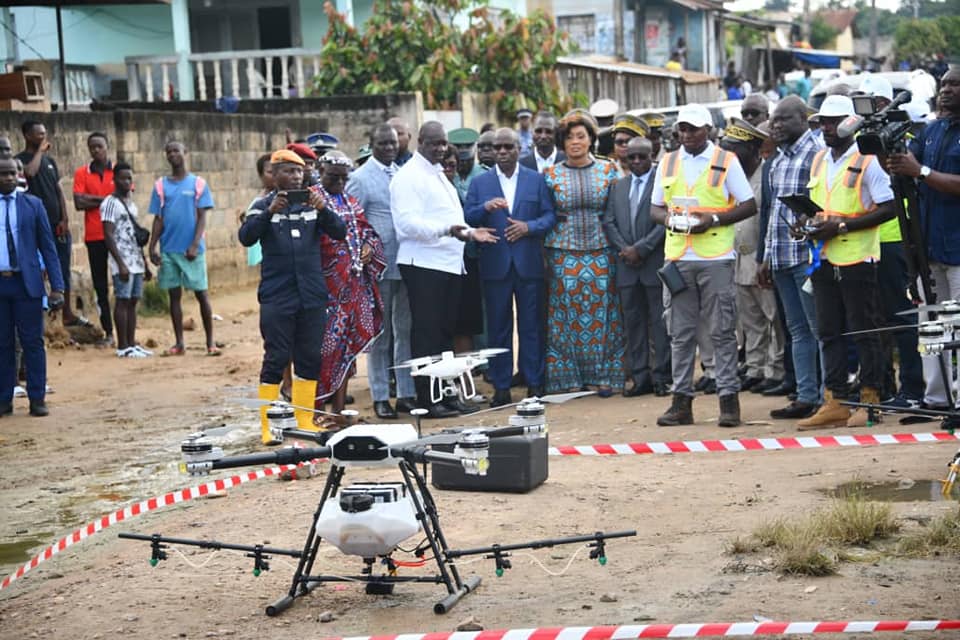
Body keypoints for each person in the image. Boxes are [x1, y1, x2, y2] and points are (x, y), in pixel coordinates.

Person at [650, 103, 758, 428]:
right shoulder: (668, 162)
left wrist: (712, 219)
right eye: (683, 128)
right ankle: (681, 402)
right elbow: (654, 209)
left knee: (723, 330)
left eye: (694, 129)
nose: (687, 134)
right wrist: (670, 219)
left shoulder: (726, 161)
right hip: (678, 258)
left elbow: (748, 204)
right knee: (680, 333)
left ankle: (729, 401)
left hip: (715, 258)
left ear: (708, 130)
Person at [796, 95, 895, 430]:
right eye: (822, 121)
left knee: (864, 330)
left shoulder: (868, 160)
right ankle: (835, 400)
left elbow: (888, 207)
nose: (826, 127)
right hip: (823, 257)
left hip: (857, 257)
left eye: (833, 121)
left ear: (851, 122)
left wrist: (841, 225)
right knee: (829, 331)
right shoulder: (820, 159)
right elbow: (819, 203)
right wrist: (807, 223)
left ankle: (870, 400)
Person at [389, 122, 497, 418]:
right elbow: (407, 225)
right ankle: (427, 399)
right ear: (420, 142)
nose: (440, 148)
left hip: (449, 265)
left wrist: (471, 232)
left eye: (443, 143)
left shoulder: (437, 173)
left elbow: (449, 218)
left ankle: (447, 395)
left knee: (446, 334)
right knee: (427, 335)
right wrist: (450, 230)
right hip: (424, 265)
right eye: (434, 143)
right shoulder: (408, 177)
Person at [239, 149, 346, 443]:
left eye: (299, 172)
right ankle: (268, 426)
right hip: (277, 296)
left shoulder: (314, 205)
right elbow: (246, 236)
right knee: (276, 358)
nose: (296, 176)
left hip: (311, 296)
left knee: (309, 358)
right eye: (288, 171)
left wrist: (324, 209)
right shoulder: (261, 205)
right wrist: (270, 212)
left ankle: (304, 420)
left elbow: (340, 232)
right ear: (274, 175)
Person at [465, 128, 556, 406]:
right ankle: (501, 386)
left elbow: (550, 215)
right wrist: (485, 208)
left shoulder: (535, 180)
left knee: (531, 326)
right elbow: (467, 216)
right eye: (497, 148)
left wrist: (529, 227)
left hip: (528, 263)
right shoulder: (481, 183)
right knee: (498, 328)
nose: (502, 152)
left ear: (519, 149)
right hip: (495, 263)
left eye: (508, 147)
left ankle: (534, 383)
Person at [887, 67, 960, 413]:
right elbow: (903, 163)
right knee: (932, 327)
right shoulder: (931, 131)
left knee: (957, 327)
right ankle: (936, 399)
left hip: (958, 250)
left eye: (954, 84)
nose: (946, 89)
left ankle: (958, 398)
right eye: (943, 83)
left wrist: (921, 172)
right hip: (928, 247)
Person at [543, 110, 625, 396]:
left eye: (581, 136)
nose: (575, 142)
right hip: (562, 254)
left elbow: (617, 212)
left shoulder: (610, 170)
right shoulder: (550, 174)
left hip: (602, 251)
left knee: (606, 315)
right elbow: (546, 214)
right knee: (564, 315)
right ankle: (568, 379)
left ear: (591, 139)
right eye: (569, 138)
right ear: (562, 143)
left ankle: (604, 376)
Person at [855, 76, 923, 409]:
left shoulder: (902, 139)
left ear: (886, 104)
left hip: (895, 239)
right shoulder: (858, 141)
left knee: (902, 318)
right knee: (873, 319)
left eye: (871, 101)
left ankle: (913, 388)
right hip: (861, 243)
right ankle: (883, 385)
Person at [759, 96, 825, 420]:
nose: (776, 125)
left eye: (784, 119)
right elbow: (772, 213)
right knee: (797, 331)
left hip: (807, 256)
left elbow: (824, 203)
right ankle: (806, 395)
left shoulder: (817, 153)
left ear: (803, 118)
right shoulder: (778, 160)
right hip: (781, 257)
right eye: (774, 120)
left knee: (819, 328)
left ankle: (830, 397)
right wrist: (766, 258)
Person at [346, 123, 417, 419]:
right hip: (377, 267)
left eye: (393, 143)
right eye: (383, 144)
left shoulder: (403, 174)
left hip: (407, 262)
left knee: (405, 331)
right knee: (380, 335)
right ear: (372, 144)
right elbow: (351, 222)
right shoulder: (360, 178)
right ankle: (379, 395)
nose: (389, 148)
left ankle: (406, 393)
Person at [312, 151, 386, 426]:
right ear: (321, 171)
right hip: (324, 288)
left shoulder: (351, 200)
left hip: (353, 285)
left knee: (346, 351)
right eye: (333, 177)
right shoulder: (312, 199)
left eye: (344, 178)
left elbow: (365, 230)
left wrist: (368, 247)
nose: (339, 182)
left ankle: (339, 411)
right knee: (324, 351)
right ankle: (318, 411)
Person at [602, 136, 670, 397]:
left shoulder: (661, 183)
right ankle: (640, 377)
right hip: (626, 266)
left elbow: (664, 221)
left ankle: (662, 376)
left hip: (652, 262)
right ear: (625, 159)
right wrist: (625, 249)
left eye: (642, 156)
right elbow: (609, 221)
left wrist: (641, 248)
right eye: (632, 157)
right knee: (633, 323)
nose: (637, 161)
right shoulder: (618, 186)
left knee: (659, 322)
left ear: (652, 154)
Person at [720, 119, 784, 394]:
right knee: (750, 320)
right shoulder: (730, 177)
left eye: (734, 150)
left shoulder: (766, 175)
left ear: (752, 149)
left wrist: (765, 259)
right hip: (737, 258)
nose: (729, 156)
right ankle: (756, 368)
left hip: (760, 257)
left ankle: (776, 369)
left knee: (773, 318)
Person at [0, 155, 65, 417]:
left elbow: (49, 249)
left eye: (12, 174)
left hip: (26, 284)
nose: (7, 178)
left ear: (19, 177)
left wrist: (57, 287)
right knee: (2, 344)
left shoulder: (33, 205)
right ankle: (4, 399)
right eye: (2, 174)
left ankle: (37, 398)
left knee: (32, 342)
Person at [147, 141, 219, 356]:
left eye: (176, 150)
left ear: (185, 152)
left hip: (192, 251)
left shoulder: (198, 184)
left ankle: (210, 343)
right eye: (168, 151)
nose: (172, 154)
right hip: (169, 249)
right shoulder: (161, 186)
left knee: (201, 294)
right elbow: (158, 219)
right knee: (174, 296)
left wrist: (195, 244)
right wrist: (152, 246)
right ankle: (179, 343)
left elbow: (202, 217)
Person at [16, 121, 80, 327]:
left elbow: (58, 189)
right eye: (38, 135)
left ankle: (67, 313)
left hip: (56, 224)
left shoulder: (50, 161)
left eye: (44, 134)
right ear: (27, 135)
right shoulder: (19, 160)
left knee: (62, 269)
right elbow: (30, 173)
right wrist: (40, 152)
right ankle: (43, 316)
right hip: (35, 227)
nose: (43, 138)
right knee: (40, 269)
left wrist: (65, 218)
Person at [100, 162, 152, 359]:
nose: (127, 182)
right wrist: (120, 263)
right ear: (114, 180)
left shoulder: (131, 204)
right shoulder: (109, 203)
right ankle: (122, 346)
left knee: (133, 301)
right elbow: (108, 235)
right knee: (122, 300)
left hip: (135, 259)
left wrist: (144, 263)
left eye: (129, 178)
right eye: (123, 178)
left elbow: (134, 235)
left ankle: (131, 343)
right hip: (121, 260)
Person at [73, 132, 116, 347]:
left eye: (99, 146)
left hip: (118, 236)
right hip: (94, 236)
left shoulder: (118, 171)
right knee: (100, 285)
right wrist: (109, 200)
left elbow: (124, 198)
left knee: (121, 283)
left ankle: (124, 329)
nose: (96, 150)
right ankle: (109, 332)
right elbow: (79, 202)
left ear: (107, 146)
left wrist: (95, 201)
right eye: (92, 147)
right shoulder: (82, 173)